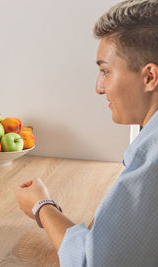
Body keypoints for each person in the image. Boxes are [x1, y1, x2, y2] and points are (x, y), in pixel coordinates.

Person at [14, 0, 158, 266]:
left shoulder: (151, 160)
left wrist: (41, 206)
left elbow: (90, 261)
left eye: (105, 71)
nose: (98, 87)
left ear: (149, 76)